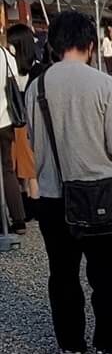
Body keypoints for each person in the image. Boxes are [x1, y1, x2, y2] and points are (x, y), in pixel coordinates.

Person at [25, 11, 112, 354]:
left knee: (62, 275)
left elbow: (34, 142)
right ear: (91, 45)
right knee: (106, 276)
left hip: (52, 196)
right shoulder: (105, 85)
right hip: (99, 196)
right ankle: (107, 348)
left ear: (53, 44)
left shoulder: (37, 86)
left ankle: (69, 347)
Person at [4, 23, 39, 219]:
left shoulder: (18, 69)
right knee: (26, 167)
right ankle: (30, 203)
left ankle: (31, 206)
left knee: (26, 167)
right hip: (27, 121)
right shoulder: (35, 66)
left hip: (20, 122)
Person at [0, 31, 28, 232]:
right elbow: (17, 83)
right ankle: (18, 218)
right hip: (5, 119)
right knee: (8, 169)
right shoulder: (5, 55)